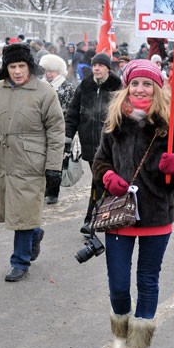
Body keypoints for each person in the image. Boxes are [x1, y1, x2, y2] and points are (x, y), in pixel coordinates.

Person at [92, 59, 174, 348]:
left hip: (156, 216)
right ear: (127, 86)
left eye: (147, 83)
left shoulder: (171, 123)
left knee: (147, 280)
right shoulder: (116, 122)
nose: (140, 89)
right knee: (118, 283)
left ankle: (138, 344)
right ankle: (120, 333)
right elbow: (100, 162)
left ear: (157, 87)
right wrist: (108, 178)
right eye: (135, 83)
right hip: (119, 216)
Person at [0, 43, 65, 281]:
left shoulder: (44, 92)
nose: (17, 71)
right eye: (12, 66)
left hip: (32, 161)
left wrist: (54, 167)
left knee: (22, 213)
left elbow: (56, 131)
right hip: (4, 159)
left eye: (21, 65)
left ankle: (20, 262)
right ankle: (35, 233)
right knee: (12, 212)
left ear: (30, 66)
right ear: (6, 68)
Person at [65, 52, 122, 235]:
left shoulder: (117, 87)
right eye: (94, 65)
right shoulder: (85, 85)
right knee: (100, 181)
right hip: (89, 144)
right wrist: (67, 138)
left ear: (107, 68)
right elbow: (73, 113)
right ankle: (104, 216)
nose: (96, 68)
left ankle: (92, 219)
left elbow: (124, 115)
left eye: (100, 65)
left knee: (99, 180)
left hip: (110, 145)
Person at [39, 53, 76, 205]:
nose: (49, 74)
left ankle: (53, 192)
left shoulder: (67, 88)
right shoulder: (39, 86)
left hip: (59, 129)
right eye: (47, 71)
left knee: (56, 161)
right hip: (40, 129)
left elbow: (72, 110)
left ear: (59, 72)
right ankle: (42, 189)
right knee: (40, 160)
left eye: (52, 71)